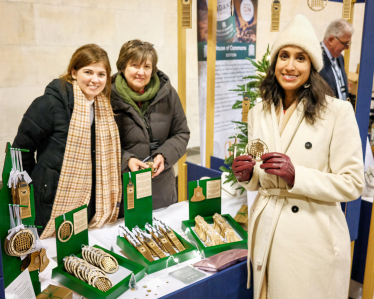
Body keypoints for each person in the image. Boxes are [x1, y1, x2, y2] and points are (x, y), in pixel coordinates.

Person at [232, 15, 364, 299]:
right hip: (268, 232)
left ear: (313, 66)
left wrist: (297, 176)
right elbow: (258, 166)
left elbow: (353, 183)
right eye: (284, 56)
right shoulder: (259, 111)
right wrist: (248, 175)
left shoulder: (337, 112)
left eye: (300, 58)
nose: (290, 66)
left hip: (311, 242)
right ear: (274, 63)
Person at [13, 44, 122, 239]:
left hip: (88, 201)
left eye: (101, 74)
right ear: (73, 72)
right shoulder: (49, 104)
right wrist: (33, 188)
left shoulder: (104, 109)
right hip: (50, 199)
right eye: (88, 72)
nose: (95, 80)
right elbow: (21, 152)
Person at [111, 40, 190, 210]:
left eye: (147, 66)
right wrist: (127, 161)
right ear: (123, 66)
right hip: (123, 189)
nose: (141, 72)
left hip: (161, 188)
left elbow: (181, 133)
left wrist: (164, 155)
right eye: (134, 65)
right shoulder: (107, 96)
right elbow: (99, 144)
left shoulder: (167, 93)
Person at [320, 19, 354, 101]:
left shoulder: (340, 57)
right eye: (345, 44)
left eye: (348, 44)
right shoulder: (316, 56)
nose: (347, 48)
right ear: (331, 40)